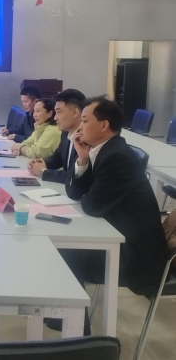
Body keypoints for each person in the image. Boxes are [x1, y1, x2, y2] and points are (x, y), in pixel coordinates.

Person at [53, 97, 168, 334]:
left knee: (63, 252)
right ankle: (68, 327)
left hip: (136, 256)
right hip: (120, 236)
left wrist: (87, 194)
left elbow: (92, 206)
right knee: (61, 247)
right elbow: (75, 192)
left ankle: (78, 338)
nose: (80, 127)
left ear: (104, 125)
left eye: (85, 121)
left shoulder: (116, 156)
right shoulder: (101, 150)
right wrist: (82, 158)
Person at [28, 89, 86, 183]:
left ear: (75, 112)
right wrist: (40, 163)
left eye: (58, 112)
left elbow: (74, 175)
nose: (55, 118)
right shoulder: (65, 133)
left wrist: (43, 172)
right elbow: (57, 158)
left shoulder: (87, 138)